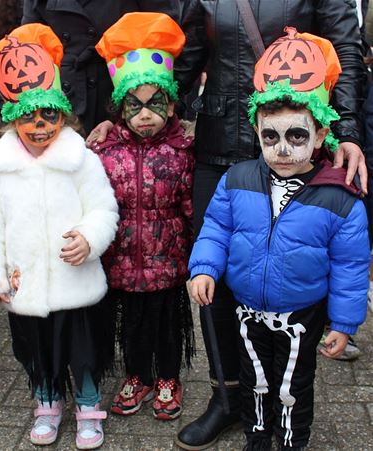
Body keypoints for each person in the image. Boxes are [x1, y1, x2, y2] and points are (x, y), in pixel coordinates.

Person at [88, 1, 369, 448]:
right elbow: (191, 56)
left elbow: (346, 48)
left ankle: (284, 394)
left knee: (295, 256)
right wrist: (133, 110)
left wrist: (349, 130)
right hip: (218, 147)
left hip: (291, 140)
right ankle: (229, 397)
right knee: (213, 274)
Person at [187, 28, 370, 451]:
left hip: (300, 318)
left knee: (292, 385)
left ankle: (290, 440)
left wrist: (344, 322)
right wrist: (204, 267)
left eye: (297, 136)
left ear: (321, 135)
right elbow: (216, 228)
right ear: (256, 129)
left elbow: (350, 266)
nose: (283, 149)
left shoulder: (339, 200)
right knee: (254, 379)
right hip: (248, 310)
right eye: (271, 136)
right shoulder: (238, 179)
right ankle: (257, 437)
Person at [0, 24, 119, 449]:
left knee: (82, 349)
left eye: (48, 115)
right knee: (36, 349)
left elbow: (104, 209)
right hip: (27, 283)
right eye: (28, 117)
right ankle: (47, 400)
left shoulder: (81, 160)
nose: (39, 126)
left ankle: (88, 405)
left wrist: (90, 238)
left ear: (62, 114)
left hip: (77, 282)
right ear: (13, 118)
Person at [91, 12, 195, 421]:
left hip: (168, 260)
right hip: (123, 259)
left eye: (156, 103)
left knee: (166, 325)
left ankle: (168, 376)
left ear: (170, 106)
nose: (145, 114)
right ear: (121, 108)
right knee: (131, 326)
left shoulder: (184, 149)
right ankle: (138, 375)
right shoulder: (104, 150)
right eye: (135, 106)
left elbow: (190, 204)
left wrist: (195, 250)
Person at [21, 0, 181, 135]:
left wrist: (141, 109)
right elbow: (30, 46)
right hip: (64, 101)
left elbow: (166, 31)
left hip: (129, 97)